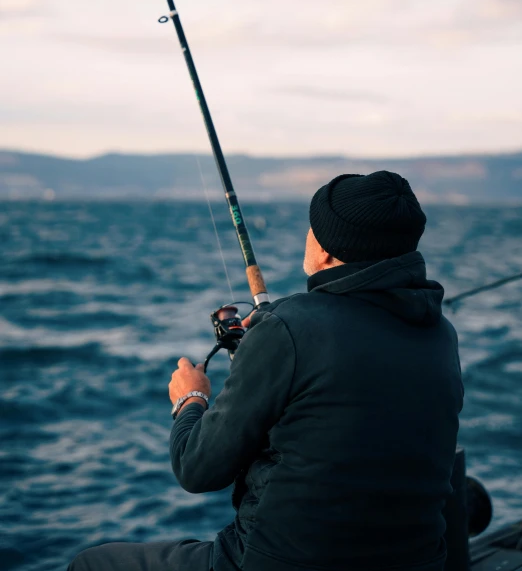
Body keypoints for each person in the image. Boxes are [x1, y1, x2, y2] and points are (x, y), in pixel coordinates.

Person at [68, 171, 464, 571]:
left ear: (325, 251)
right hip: (419, 562)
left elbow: (197, 469)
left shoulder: (288, 329)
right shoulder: (441, 336)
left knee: (90, 564)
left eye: (312, 228)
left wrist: (191, 399)